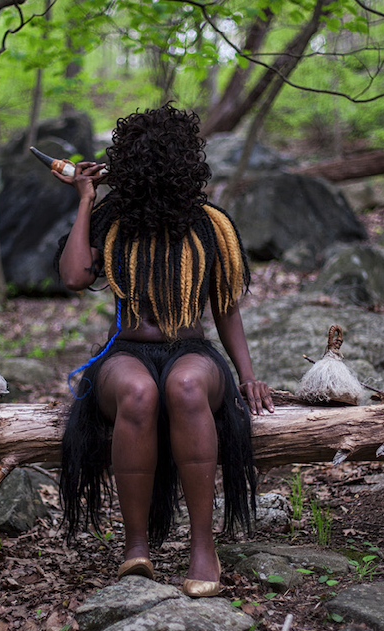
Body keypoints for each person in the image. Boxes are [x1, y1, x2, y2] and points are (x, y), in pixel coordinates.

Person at [53, 104, 274, 598]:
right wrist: (86, 198)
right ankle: (136, 548)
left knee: (186, 385)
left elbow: (227, 309)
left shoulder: (211, 225)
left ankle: (202, 546)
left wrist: (247, 375)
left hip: (192, 353)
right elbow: (72, 277)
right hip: (126, 352)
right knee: (137, 392)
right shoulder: (111, 219)